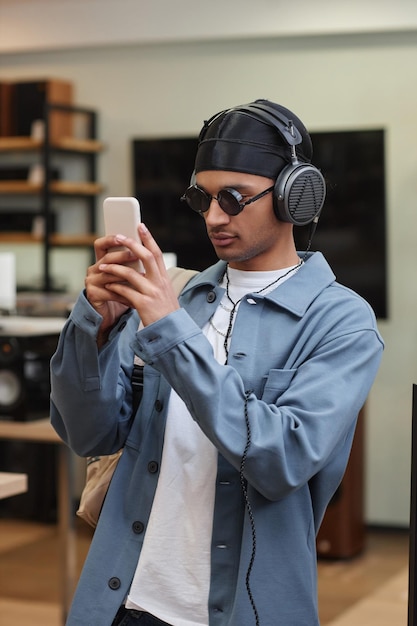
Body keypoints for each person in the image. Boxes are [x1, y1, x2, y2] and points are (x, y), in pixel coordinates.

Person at [50, 99, 384, 626]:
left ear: (295, 197)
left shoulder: (341, 321)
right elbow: (88, 434)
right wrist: (96, 326)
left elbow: (282, 459)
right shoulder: (178, 298)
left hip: (243, 612)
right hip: (121, 602)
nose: (212, 217)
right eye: (201, 197)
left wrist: (170, 333)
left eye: (233, 198)